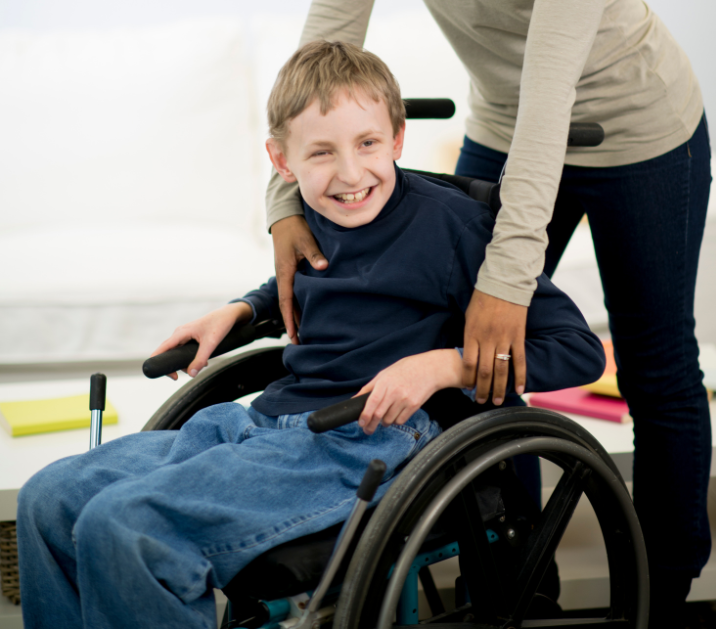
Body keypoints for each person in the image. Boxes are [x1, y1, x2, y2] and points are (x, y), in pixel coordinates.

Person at [265, 0, 712, 628]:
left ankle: (665, 592)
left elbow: (555, 77)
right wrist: (284, 192)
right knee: (464, 347)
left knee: (651, 362)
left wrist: (509, 276)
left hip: (637, 123)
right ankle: (509, 580)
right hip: (510, 119)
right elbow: (329, 32)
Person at [17, 41, 605, 629]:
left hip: (362, 444)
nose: (351, 174)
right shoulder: (311, 217)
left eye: (368, 143)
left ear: (398, 138)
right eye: (321, 152)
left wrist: (439, 367)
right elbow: (323, 289)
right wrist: (243, 311)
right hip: (266, 427)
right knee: (46, 498)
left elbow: (575, 349)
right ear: (282, 161)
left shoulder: (455, 230)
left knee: (124, 526)